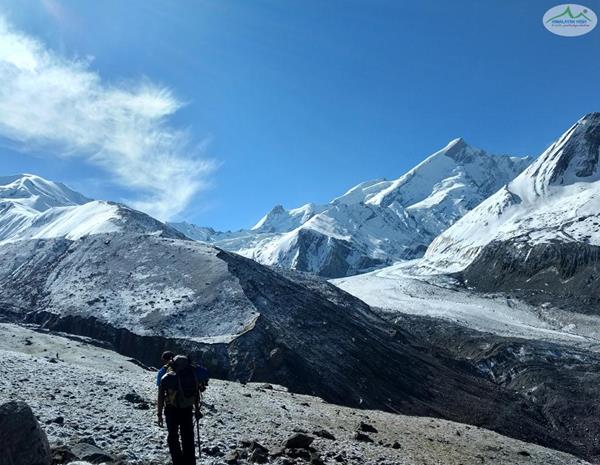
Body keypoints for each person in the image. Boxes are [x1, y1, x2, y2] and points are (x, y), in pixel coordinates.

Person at [157, 354, 209, 465]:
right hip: (187, 409)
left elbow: (160, 396)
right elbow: (196, 392)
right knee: (188, 437)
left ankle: (178, 461)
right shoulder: (192, 373)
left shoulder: (165, 373)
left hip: (171, 410)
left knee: (173, 437)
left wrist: (159, 414)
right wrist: (197, 409)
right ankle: (190, 462)